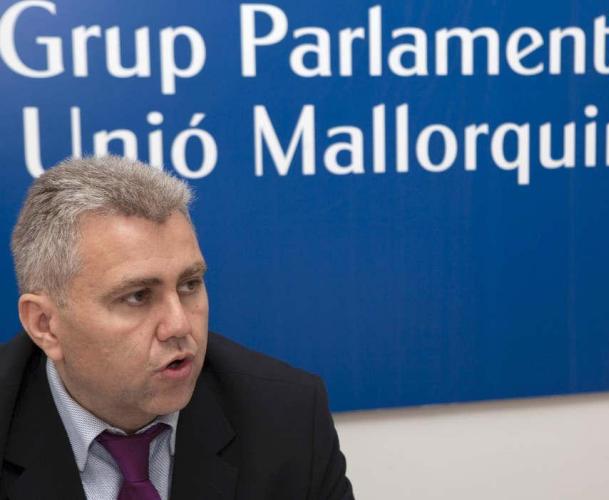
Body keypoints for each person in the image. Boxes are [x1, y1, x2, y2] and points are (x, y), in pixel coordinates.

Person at [0, 156, 354, 500]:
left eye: (189, 285)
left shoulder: (285, 418)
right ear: (45, 325)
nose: (179, 325)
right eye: (137, 296)